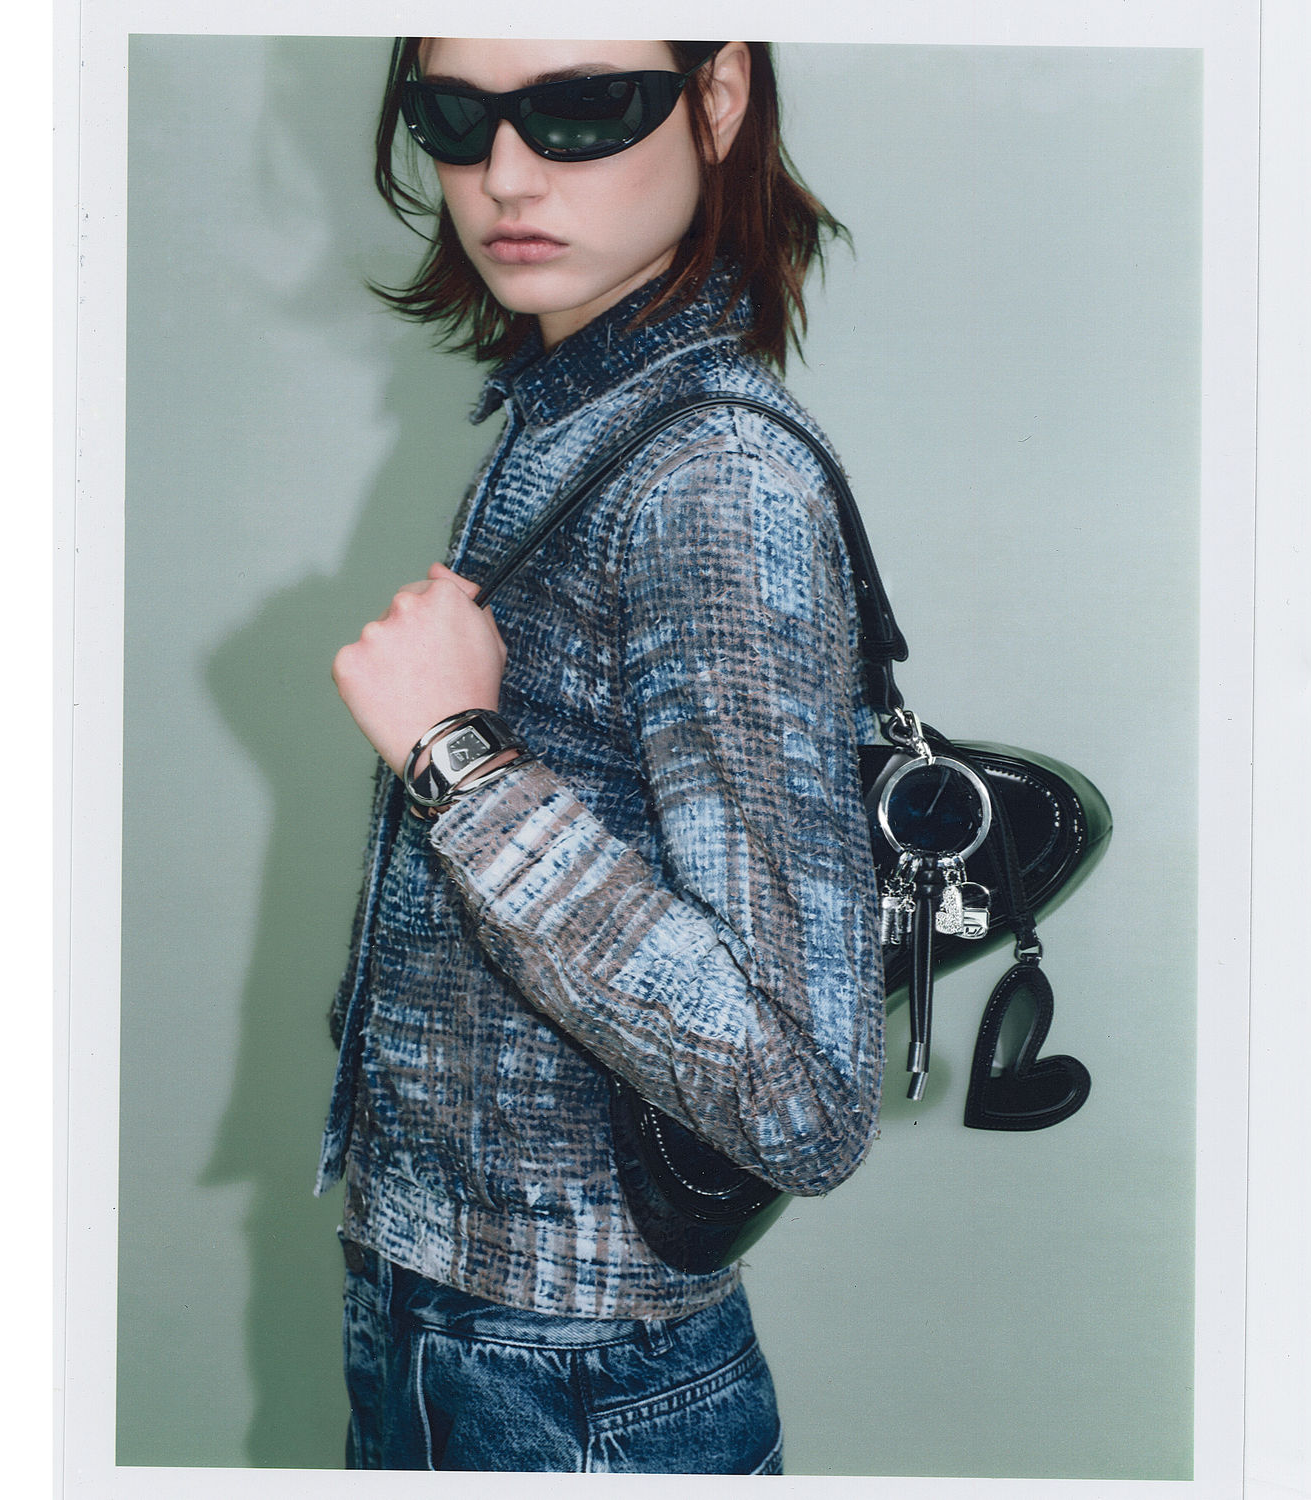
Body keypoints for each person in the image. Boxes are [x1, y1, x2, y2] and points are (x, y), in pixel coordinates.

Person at [316, 36, 886, 1474]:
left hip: (566, 1378)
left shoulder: (715, 478)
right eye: (455, 116)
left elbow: (803, 1102)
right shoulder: (580, 417)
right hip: (456, 1325)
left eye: (580, 107)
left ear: (719, 96)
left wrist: (459, 761)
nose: (503, 176)